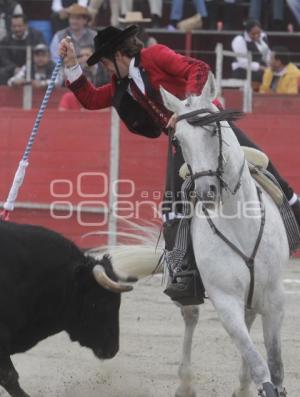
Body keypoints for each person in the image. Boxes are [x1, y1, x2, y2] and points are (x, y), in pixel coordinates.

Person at [58, 25, 300, 304]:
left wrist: (187, 109)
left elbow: (198, 68)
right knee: (172, 205)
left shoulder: (155, 55)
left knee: (265, 165)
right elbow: (90, 99)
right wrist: (71, 64)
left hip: (210, 125)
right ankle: (184, 274)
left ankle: (295, 219)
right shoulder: (120, 83)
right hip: (183, 139)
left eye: (104, 61)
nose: (104, 68)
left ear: (118, 55)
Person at [59, 44, 109, 110]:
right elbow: (64, 85)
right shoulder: (77, 70)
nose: (84, 58)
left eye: (87, 55)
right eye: (81, 56)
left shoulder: (105, 69)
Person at [0, 14, 46, 84]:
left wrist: (28, 69)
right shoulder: (5, 40)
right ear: (10, 27)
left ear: (26, 25)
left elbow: (43, 52)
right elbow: (4, 59)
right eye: (14, 26)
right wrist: (14, 68)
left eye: (19, 26)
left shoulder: (37, 36)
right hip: (13, 70)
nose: (17, 29)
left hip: (33, 69)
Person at [231, 19, 271, 89]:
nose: (256, 36)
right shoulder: (239, 40)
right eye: (253, 34)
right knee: (264, 75)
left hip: (261, 68)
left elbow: (267, 55)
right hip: (242, 70)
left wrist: (271, 67)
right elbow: (243, 62)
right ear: (247, 32)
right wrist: (261, 68)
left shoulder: (263, 37)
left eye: (258, 33)